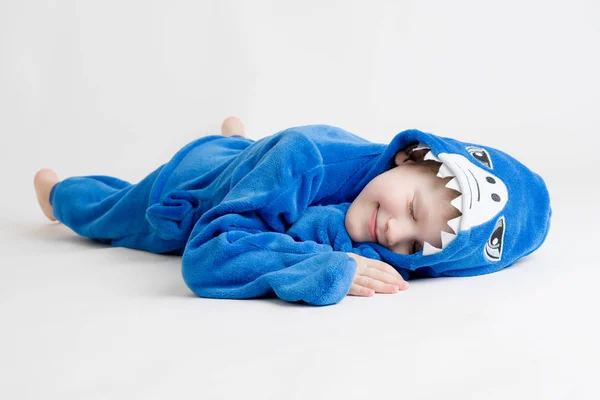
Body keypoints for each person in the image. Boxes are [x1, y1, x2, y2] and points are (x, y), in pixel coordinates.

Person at [34, 117, 552, 306]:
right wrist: (321, 267)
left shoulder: (389, 219)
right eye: (412, 207)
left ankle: (238, 136)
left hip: (257, 164)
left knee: (248, 156)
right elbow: (208, 255)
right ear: (409, 155)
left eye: (417, 246)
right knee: (112, 214)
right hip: (191, 181)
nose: (394, 232)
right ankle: (58, 194)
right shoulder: (306, 156)